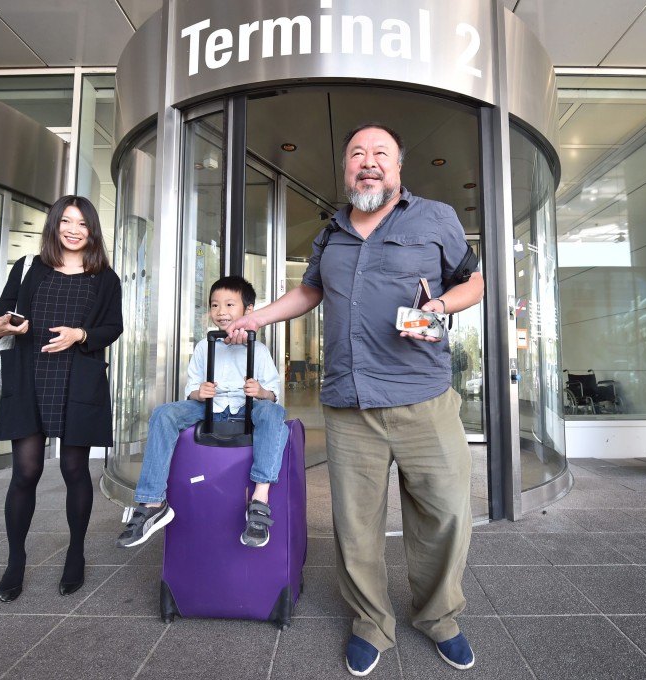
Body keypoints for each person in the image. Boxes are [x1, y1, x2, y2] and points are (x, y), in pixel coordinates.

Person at [226, 124, 484, 676]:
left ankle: (439, 617)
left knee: (445, 515)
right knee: (355, 525)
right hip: (349, 403)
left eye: (380, 153)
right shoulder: (331, 233)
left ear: (398, 166)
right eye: (357, 154)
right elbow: (309, 290)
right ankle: (371, 622)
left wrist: (440, 306)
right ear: (346, 168)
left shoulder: (435, 218)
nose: (368, 162)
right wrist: (256, 317)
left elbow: (474, 281)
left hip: (424, 397)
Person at [0, 195, 122, 603]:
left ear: (92, 230)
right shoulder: (29, 267)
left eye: (82, 223)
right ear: (54, 225)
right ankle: (16, 559)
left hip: (78, 381)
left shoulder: (105, 278)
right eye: (66, 221)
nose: (73, 230)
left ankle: (76, 552)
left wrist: (80, 335)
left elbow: (113, 327)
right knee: (25, 472)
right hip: (30, 378)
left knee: (74, 470)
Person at [116, 276, 289, 549]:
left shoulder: (259, 349)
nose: (221, 311)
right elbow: (191, 389)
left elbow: (273, 393)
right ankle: (152, 502)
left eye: (229, 304)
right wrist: (200, 392)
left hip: (247, 406)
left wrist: (260, 391)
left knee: (274, 413)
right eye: (214, 305)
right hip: (210, 406)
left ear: (248, 310)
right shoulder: (202, 346)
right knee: (164, 414)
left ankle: (260, 498)